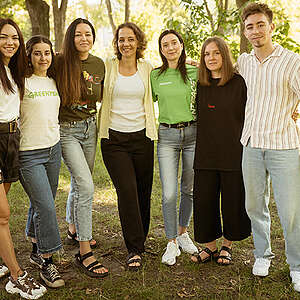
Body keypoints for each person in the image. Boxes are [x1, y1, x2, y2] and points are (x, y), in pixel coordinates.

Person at [238, 2, 300, 292]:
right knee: (254, 205)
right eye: (250, 26)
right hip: (251, 144)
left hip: (284, 146)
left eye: (260, 24)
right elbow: (213, 68)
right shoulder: (244, 62)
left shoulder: (291, 61)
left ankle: (297, 265)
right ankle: (262, 255)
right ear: (245, 30)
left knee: (290, 211)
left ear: (271, 27)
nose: (255, 31)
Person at [99, 22, 157, 271]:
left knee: (143, 191)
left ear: (138, 42)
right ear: (117, 42)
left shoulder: (147, 68)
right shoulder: (108, 66)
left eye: (131, 39)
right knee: (127, 189)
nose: (126, 44)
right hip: (114, 140)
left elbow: (170, 77)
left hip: (142, 138)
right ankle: (134, 248)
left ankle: (140, 238)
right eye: (122, 39)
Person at [191, 37, 251, 266]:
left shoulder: (239, 83)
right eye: (207, 54)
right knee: (204, 200)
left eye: (216, 53)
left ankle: (227, 246)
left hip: (233, 152)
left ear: (225, 56)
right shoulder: (200, 85)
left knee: (232, 201)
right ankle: (209, 247)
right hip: (205, 152)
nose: (211, 58)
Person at [55, 18, 108, 278]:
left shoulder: (99, 64)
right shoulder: (59, 62)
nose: (83, 38)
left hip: (90, 128)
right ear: (70, 37)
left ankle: (73, 228)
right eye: (78, 34)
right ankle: (84, 251)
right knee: (86, 186)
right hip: (66, 130)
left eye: (88, 34)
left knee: (79, 182)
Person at [0, 18, 46, 299]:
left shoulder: (13, 71)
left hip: (11, 140)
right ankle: (16, 276)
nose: (9, 42)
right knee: (3, 214)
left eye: (15, 37)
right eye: (4, 37)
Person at [18, 35, 64, 288]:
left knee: (42, 203)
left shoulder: (53, 80)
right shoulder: (20, 82)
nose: (43, 58)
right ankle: (48, 262)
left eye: (47, 53)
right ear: (29, 55)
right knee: (46, 206)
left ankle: (36, 248)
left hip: (52, 150)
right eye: (37, 53)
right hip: (28, 153)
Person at [150, 29, 198, 266]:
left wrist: (197, 62)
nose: (170, 47)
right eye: (165, 44)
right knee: (169, 192)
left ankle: (182, 232)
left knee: (188, 189)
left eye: (174, 43)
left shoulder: (195, 71)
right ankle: (171, 243)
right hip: (167, 136)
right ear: (161, 49)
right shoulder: (155, 76)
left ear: (181, 44)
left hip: (193, 134)